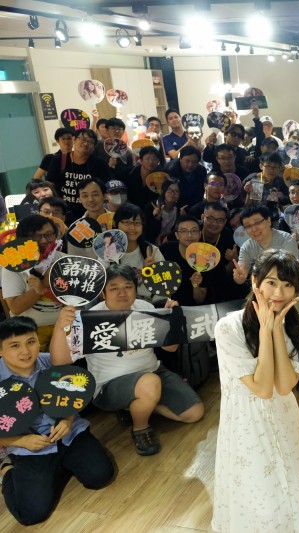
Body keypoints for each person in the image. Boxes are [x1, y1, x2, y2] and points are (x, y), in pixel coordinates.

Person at [49, 264, 204, 456]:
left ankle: (135, 406)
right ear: (103, 294)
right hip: (108, 385)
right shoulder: (88, 319)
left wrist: (170, 320)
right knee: (149, 383)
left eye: (128, 287)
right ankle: (140, 427)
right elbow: (60, 361)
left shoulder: (145, 308)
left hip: (153, 372)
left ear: (136, 289)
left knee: (194, 413)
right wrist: (60, 326)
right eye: (114, 288)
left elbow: (170, 348)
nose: (122, 293)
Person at [212, 251, 299, 532]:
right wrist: (266, 330)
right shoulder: (228, 327)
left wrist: (277, 329)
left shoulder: (298, 326)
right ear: (255, 282)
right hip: (246, 424)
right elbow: (262, 388)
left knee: (289, 487)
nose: (279, 293)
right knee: (257, 496)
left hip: (284, 419)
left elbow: (284, 385)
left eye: (288, 285)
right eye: (271, 283)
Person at [0, 317, 114, 526]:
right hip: (28, 447)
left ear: (38, 341)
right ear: (0, 350)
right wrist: (20, 441)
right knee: (31, 514)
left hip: (68, 433)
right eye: (14, 346)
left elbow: (75, 394)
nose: (25, 351)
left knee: (100, 477)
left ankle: (60, 465)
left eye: (31, 342)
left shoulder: (52, 362)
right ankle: (6, 470)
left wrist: (67, 420)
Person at [1, 215, 64, 346]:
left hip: (65, 326)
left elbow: (77, 299)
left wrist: (44, 288)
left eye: (49, 234)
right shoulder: (12, 265)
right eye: (36, 236)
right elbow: (15, 308)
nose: (44, 240)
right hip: (29, 331)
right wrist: (43, 284)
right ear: (22, 239)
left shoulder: (64, 260)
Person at [46, 129, 110, 220]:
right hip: (64, 213)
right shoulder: (58, 160)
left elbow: (107, 187)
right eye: (82, 139)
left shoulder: (99, 163)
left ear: (94, 146)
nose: (86, 144)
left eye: (90, 142)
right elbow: (49, 185)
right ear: (74, 140)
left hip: (92, 212)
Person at [110, 203, 166, 303]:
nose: (132, 227)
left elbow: (164, 290)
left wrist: (155, 275)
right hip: (118, 305)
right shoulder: (107, 253)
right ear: (115, 223)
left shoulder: (152, 251)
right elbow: (101, 292)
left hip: (150, 306)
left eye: (137, 223)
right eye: (127, 222)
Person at [159, 215, 209, 306]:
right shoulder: (165, 250)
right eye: (184, 231)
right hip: (167, 304)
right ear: (177, 235)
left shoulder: (206, 257)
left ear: (200, 234)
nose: (189, 235)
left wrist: (195, 285)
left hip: (192, 308)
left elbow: (200, 300)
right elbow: (156, 286)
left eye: (194, 231)